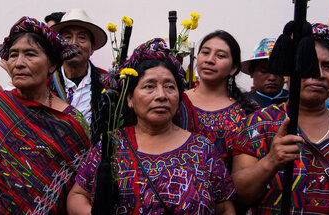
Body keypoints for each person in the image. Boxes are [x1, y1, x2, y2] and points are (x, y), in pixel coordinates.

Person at [68, 38, 235, 214]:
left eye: (170, 87)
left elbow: (225, 208)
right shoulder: (112, 145)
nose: (161, 95)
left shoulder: (202, 150)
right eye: (149, 86)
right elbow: (77, 195)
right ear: (130, 99)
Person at [0, 16, 91, 214]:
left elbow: (80, 192)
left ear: (51, 65)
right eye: (13, 55)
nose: (18, 63)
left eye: (30, 54)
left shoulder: (70, 123)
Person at [232, 23, 329, 214]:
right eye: (309, 63)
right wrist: (271, 162)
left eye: (328, 66)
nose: (319, 75)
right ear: (288, 72)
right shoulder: (259, 123)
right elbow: (238, 194)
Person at [177, 30, 258, 168]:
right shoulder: (178, 102)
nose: (210, 60)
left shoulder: (247, 109)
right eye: (205, 52)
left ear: (233, 68)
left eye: (220, 55)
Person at [50, 8, 108, 145]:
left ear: (92, 47)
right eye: (67, 37)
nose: (74, 43)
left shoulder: (107, 82)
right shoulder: (44, 83)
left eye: (82, 38)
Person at [241, 38, 288, 108]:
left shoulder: (298, 101)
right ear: (251, 72)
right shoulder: (241, 103)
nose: (272, 78)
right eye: (264, 72)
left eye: (277, 71)